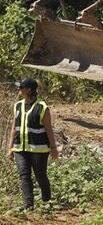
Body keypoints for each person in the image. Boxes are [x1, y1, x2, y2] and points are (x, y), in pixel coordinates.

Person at [7, 78, 59, 210]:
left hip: (39, 149)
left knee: (40, 175)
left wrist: (53, 148)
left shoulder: (42, 107)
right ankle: (28, 204)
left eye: (21, 87)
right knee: (24, 174)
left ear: (29, 90)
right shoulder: (17, 106)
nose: (19, 90)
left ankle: (46, 200)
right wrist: (10, 147)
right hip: (20, 148)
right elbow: (14, 127)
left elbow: (48, 128)